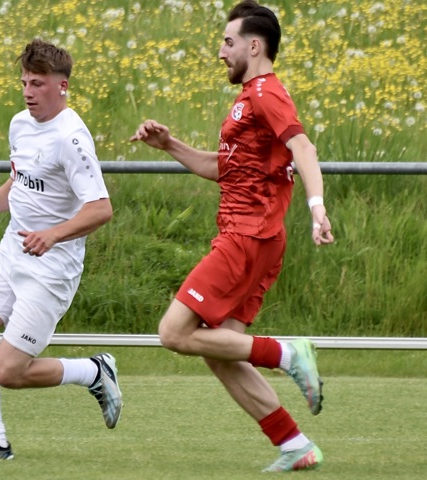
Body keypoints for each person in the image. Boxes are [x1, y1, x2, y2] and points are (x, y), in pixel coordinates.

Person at [130, 0, 334, 473]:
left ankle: (286, 353)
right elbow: (223, 167)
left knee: (174, 333)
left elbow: (302, 146)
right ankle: (294, 444)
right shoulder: (250, 98)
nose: (221, 52)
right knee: (220, 349)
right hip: (258, 238)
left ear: (254, 46)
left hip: (247, 236)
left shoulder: (264, 93)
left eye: (228, 42)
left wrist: (316, 207)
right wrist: (169, 144)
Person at [0, 39, 122, 461]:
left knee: (8, 372)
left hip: (51, 266)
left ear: (62, 86)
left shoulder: (71, 138)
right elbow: (20, 182)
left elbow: (101, 209)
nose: (28, 92)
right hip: (12, 249)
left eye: (38, 84)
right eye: (25, 83)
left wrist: (54, 235)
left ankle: (93, 371)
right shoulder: (20, 124)